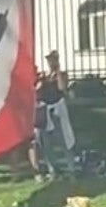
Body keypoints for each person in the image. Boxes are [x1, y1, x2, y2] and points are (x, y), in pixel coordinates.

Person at [31, 51, 77, 179]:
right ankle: (53, 168)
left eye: (53, 60)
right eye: (49, 60)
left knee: (63, 139)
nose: (51, 63)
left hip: (57, 110)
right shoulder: (43, 76)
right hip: (45, 111)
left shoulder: (61, 75)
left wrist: (57, 74)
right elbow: (37, 90)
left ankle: (71, 166)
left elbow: (62, 88)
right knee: (44, 142)